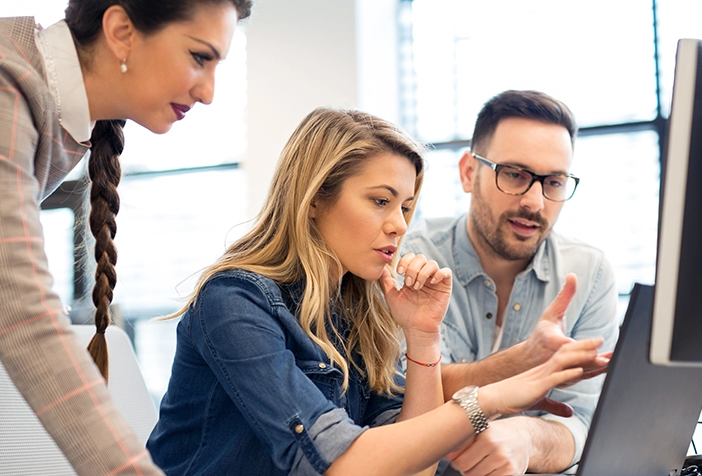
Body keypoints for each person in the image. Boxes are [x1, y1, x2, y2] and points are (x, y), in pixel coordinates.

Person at [146, 106, 606, 475]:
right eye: (381, 201)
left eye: (406, 206)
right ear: (314, 200)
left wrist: (422, 337)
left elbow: (415, 467)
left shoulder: (354, 311)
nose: (400, 224)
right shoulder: (233, 302)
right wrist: (487, 399)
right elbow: (345, 465)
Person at [0, 1, 252, 474]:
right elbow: (19, 311)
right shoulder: (1, 80)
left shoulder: (59, 114)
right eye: (200, 57)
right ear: (120, 30)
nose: (210, 92)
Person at [399, 90, 619, 475]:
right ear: (469, 173)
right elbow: (408, 394)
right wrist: (524, 361)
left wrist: (528, 438)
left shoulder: (591, 273)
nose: (535, 202)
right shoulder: (411, 261)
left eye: (554, 182)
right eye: (515, 174)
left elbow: (586, 421)